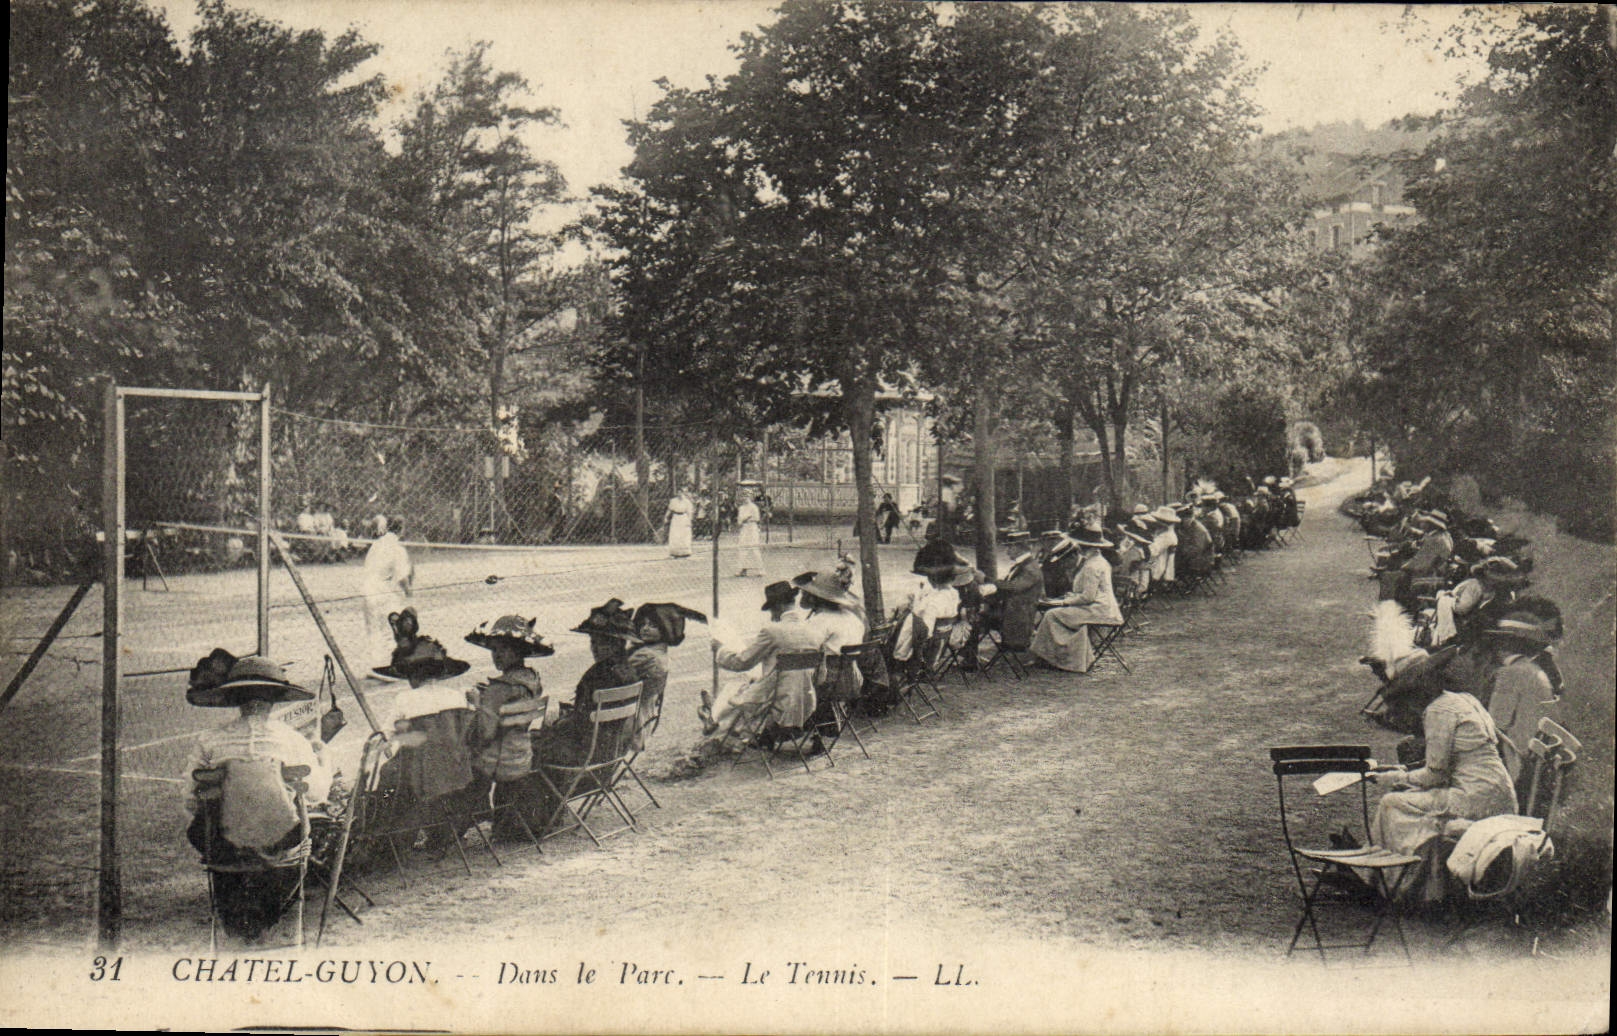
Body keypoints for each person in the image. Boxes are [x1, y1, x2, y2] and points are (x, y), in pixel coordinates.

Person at [183, 653, 332, 945]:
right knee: (302, 823)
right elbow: (317, 793)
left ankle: (239, 920)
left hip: (223, 848)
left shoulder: (209, 740)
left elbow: (189, 797)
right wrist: (324, 757)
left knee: (213, 830)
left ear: (236, 697)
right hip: (281, 845)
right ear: (275, 697)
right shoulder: (290, 739)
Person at [1365, 682, 1518, 903]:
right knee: (1412, 802)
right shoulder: (1463, 698)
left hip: (1475, 798)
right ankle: (1418, 884)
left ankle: (1388, 886)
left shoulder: (1438, 711)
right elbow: (1453, 760)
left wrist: (1396, 778)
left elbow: (1435, 775)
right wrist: (1405, 772)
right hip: (1497, 792)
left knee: (1392, 802)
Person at [698, 581, 824, 745]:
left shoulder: (772, 631)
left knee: (737, 686)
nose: (771, 614)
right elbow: (821, 676)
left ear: (778, 606)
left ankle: (714, 717)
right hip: (807, 704)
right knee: (758, 681)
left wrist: (721, 650)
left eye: (771, 609)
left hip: (777, 706)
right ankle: (715, 716)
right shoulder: (815, 631)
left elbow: (741, 662)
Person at [462, 614, 549, 837]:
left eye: (503, 650)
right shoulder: (532, 679)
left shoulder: (498, 689)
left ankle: (458, 822)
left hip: (495, 763)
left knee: (452, 753)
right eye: (494, 649)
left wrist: (478, 703)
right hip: (520, 756)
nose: (497, 655)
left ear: (519, 651)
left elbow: (484, 733)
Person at [1477, 605, 1563, 786]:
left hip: (1514, 764)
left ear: (1509, 644)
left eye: (1500, 640)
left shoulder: (1510, 673)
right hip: (1534, 758)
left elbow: (1495, 723)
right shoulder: (1533, 669)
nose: (1495, 646)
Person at [1030, 528, 1122, 673]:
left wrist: (1065, 602)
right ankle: (1059, 656)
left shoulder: (1092, 565)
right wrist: (1070, 597)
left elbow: (1088, 597)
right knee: (1056, 614)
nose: (1079, 548)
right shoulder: (1096, 561)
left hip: (1099, 609)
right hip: (1097, 607)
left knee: (1052, 614)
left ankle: (1051, 657)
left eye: (1081, 545)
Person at [629, 602, 706, 747]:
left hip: (630, 722)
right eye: (643, 624)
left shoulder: (644, 655)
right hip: (646, 720)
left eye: (652, 625)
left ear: (665, 630)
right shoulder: (660, 653)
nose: (645, 628)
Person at [362, 515, 413, 676]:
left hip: (367, 588)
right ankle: (389, 666)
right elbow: (401, 577)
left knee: (373, 629)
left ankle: (375, 665)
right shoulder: (397, 549)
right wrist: (408, 591)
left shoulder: (376, 544)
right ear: (401, 529)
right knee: (391, 628)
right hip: (383, 589)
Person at [736, 484, 764, 576]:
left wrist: (748, 519)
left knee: (754, 548)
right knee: (743, 548)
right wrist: (742, 521)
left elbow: (757, 518)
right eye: (743, 495)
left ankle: (760, 570)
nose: (745, 498)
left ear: (751, 497)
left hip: (752, 528)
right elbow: (739, 521)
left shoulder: (754, 507)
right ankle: (742, 569)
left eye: (747, 495)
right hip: (744, 529)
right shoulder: (741, 508)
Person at [665, 488, 694, 558]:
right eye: (678, 492)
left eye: (681, 492)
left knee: (684, 534)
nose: (680, 494)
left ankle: (685, 552)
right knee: (675, 534)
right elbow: (669, 510)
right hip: (676, 518)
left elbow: (690, 512)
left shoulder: (687, 502)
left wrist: (689, 521)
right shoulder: (673, 501)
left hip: (683, 517)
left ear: (684, 493)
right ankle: (674, 552)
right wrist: (666, 517)